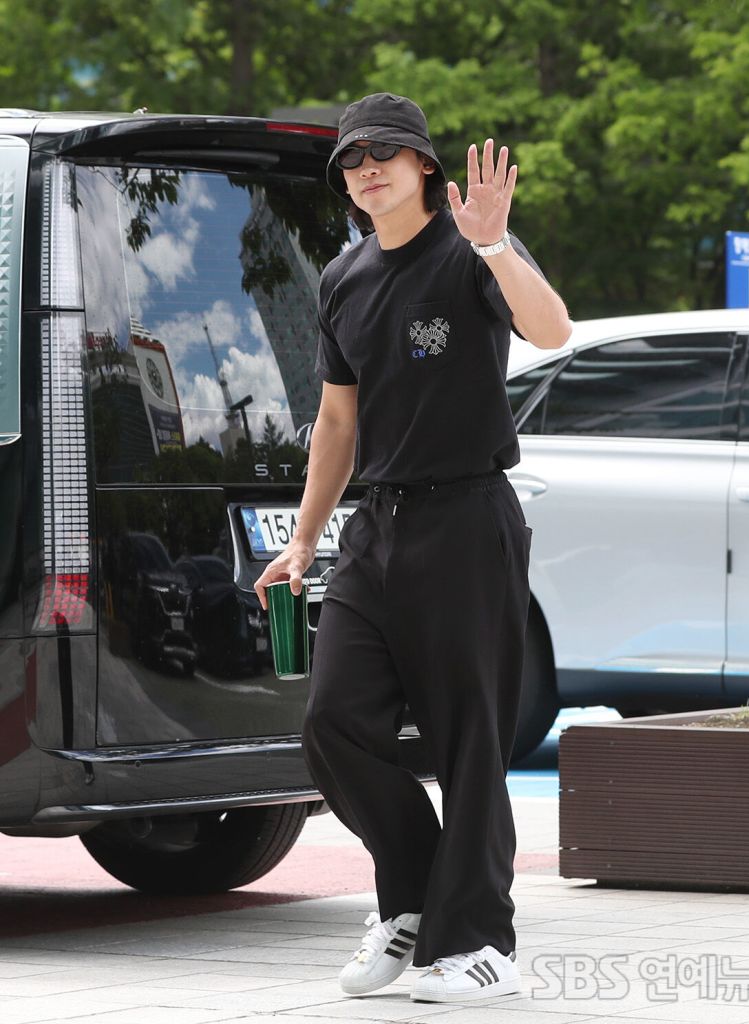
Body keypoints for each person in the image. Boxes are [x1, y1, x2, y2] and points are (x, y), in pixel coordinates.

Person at [254, 92, 571, 1004]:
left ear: (424, 165)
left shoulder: (471, 250)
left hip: (469, 518)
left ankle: (480, 945)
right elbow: (336, 421)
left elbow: (553, 330)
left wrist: (496, 244)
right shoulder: (343, 277)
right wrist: (304, 539)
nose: (366, 171)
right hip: (377, 528)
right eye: (352, 161)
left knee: (469, 739)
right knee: (333, 722)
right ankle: (414, 898)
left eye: (384, 155)